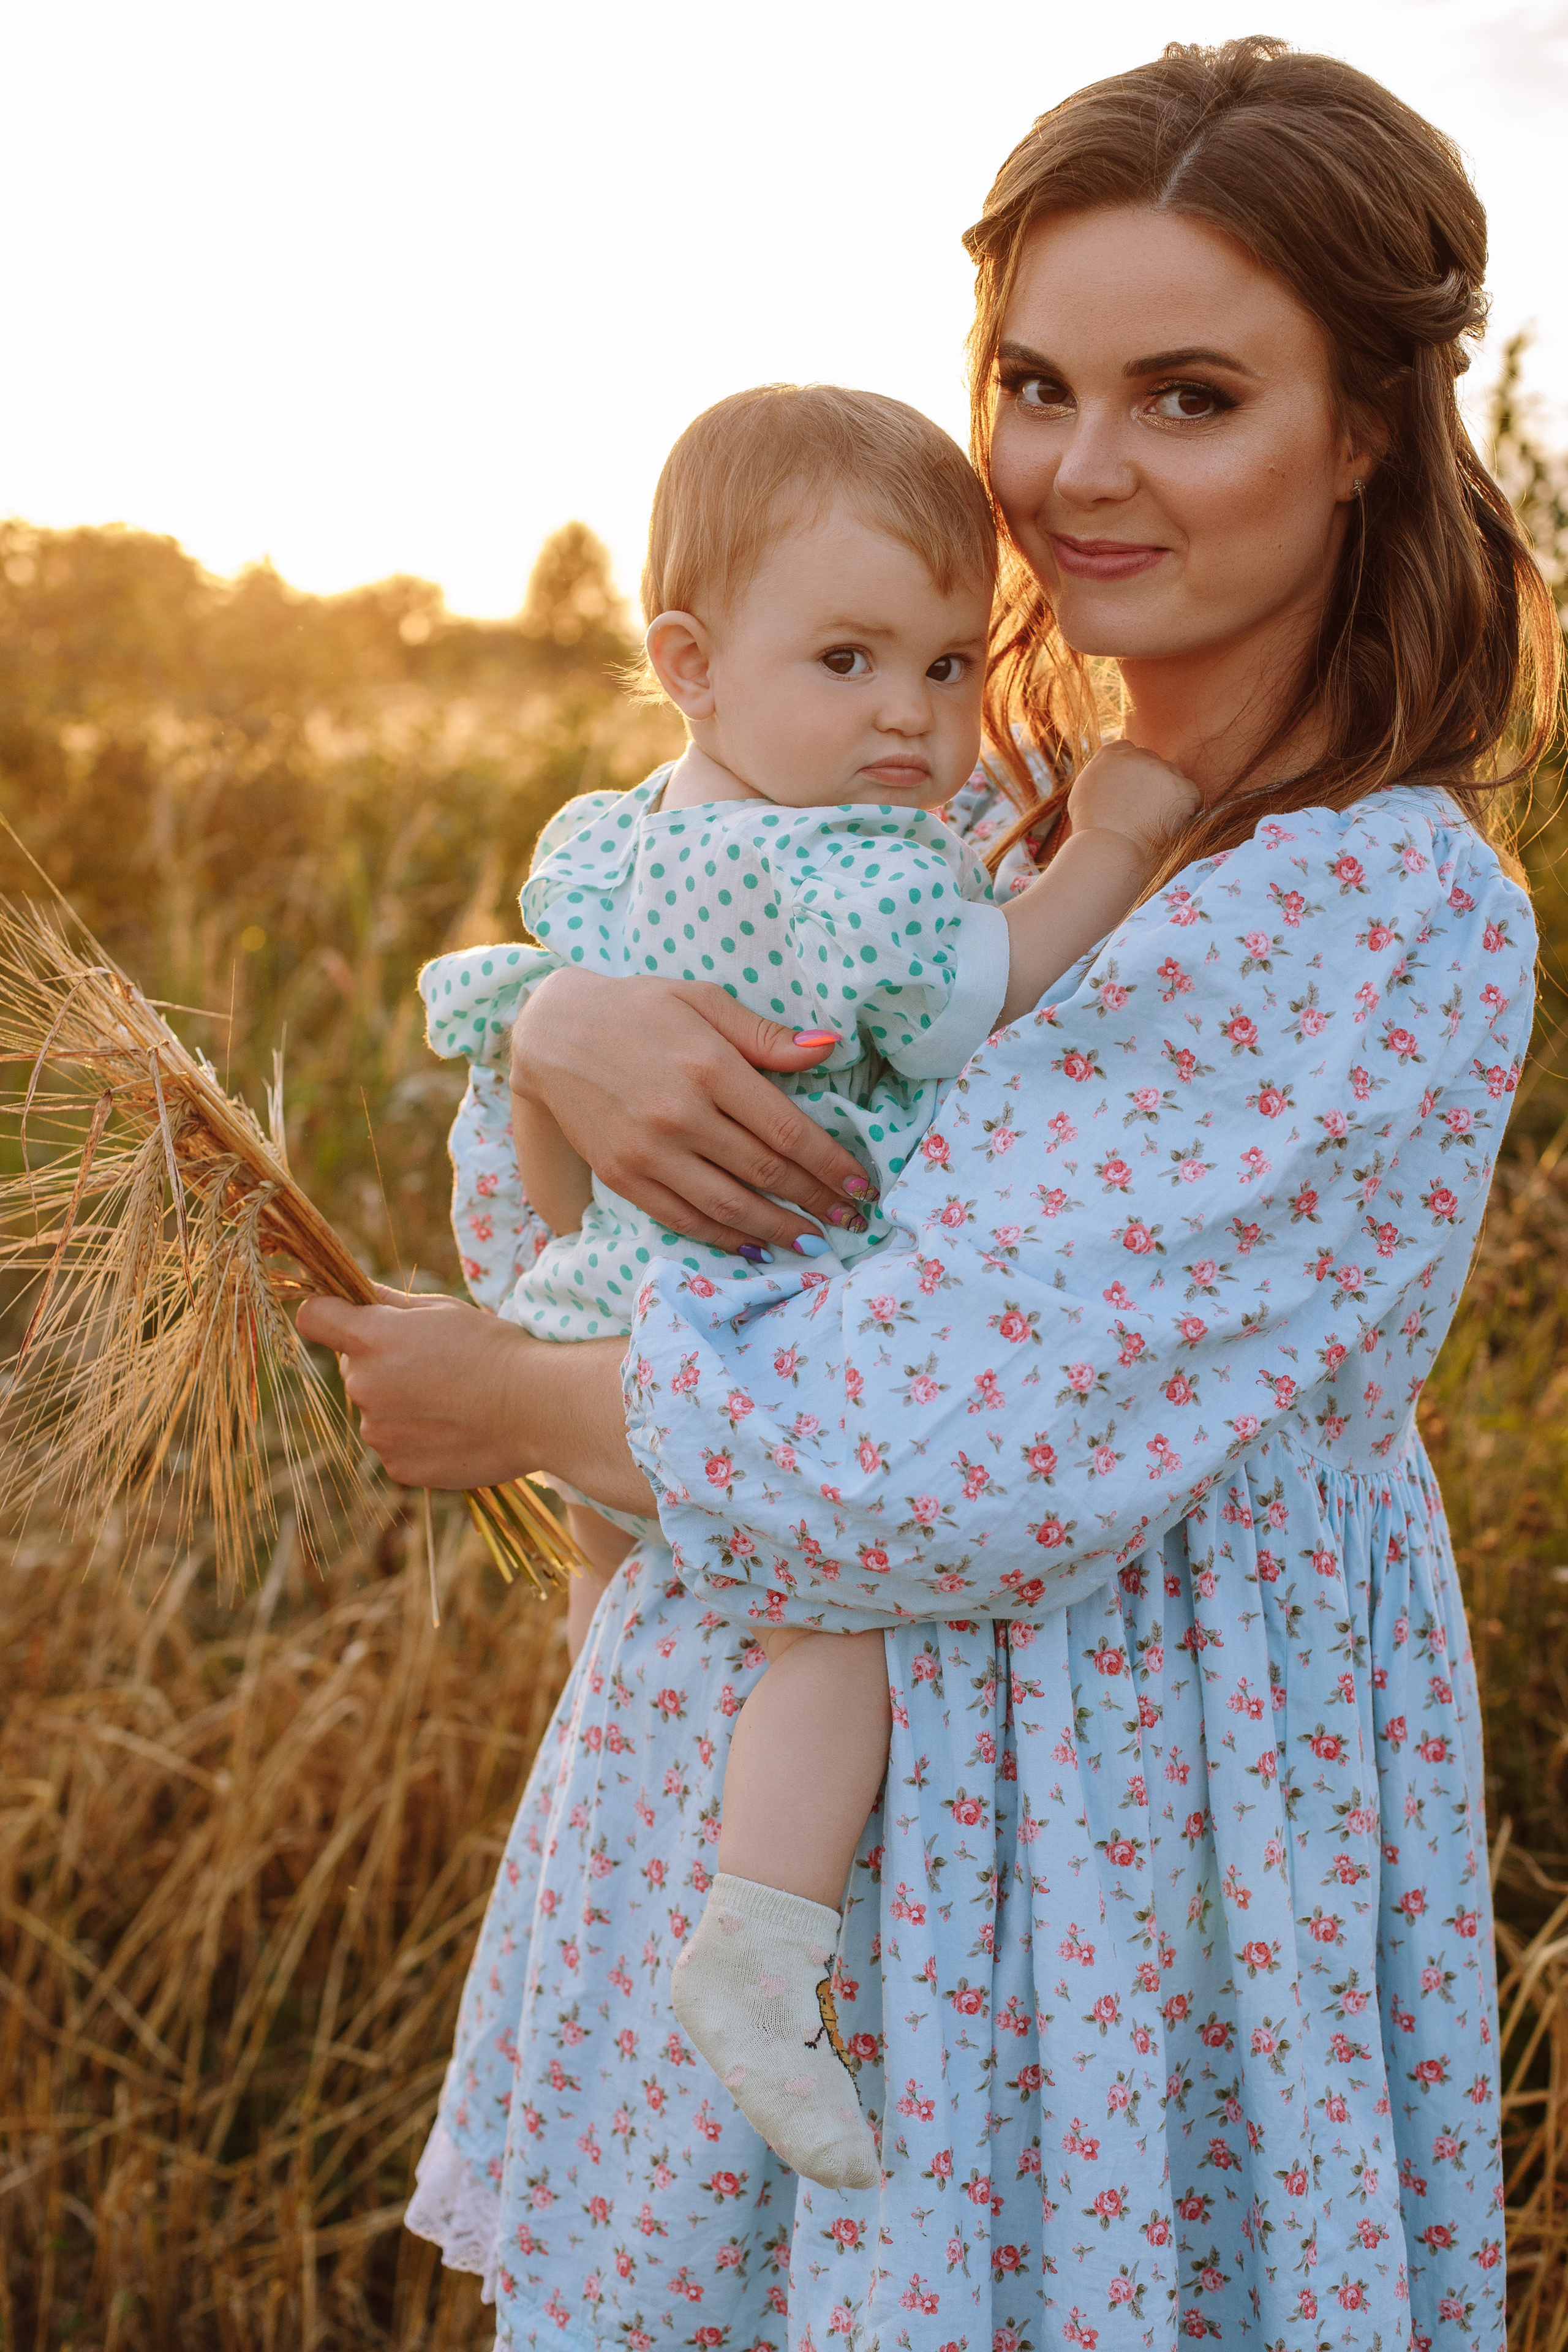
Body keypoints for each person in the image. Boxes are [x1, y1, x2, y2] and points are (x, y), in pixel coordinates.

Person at [301, 37, 1560, 2350]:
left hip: (1108, 1846)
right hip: (730, 1828)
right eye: (1037, 383)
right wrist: (563, 1033)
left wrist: (510, 1407)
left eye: (1189, 395)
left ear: (1366, 428)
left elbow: (943, 1457)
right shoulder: (943, 807)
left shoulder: (1377, 913)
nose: (1080, 473)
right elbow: (584, 1243)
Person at [417, 381, 1201, 2188]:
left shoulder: (616, 837)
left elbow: (529, 1071)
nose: (912, 723)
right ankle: (763, 1948)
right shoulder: (855, 879)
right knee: (824, 1631)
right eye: (848, 662)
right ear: (689, 660)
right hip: (759, 1326)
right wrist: (1123, 839)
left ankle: (652, 1841)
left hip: (602, 1300)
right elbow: (978, 990)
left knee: (621, 1625)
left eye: (944, 667)